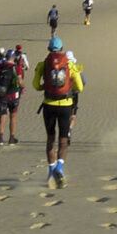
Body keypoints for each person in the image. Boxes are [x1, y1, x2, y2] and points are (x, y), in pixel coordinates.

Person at [34, 36, 83, 187]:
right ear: (62, 49)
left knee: (50, 139)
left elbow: (36, 85)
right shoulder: (69, 64)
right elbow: (80, 87)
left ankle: (50, 172)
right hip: (66, 105)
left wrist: (45, 87)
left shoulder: (43, 64)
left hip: (49, 104)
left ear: (49, 49)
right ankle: (59, 169)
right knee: (63, 140)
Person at [0, 48, 23, 145]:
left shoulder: (0, 66)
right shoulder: (16, 68)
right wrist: (23, 87)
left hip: (2, 95)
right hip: (13, 95)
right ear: (13, 57)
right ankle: (11, 138)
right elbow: (20, 82)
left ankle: (0, 139)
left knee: (2, 117)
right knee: (13, 117)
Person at [65, 49, 85, 132]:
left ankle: (65, 130)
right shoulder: (75, 68)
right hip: (73, 94)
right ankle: (69, 131)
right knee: (73, 115)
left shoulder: (60, 68)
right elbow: (84, 80)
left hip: (62, 94)